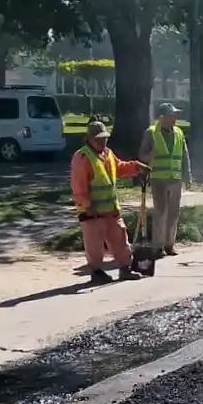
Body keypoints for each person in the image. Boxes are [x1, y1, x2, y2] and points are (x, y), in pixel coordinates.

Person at [73, 120, 149, 285]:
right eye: (99, 139)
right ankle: (96, 272)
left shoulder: (107, 153)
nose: (103, 141)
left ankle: (125, 268)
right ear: (90, 139)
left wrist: (136, 167)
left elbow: (120, 167)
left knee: (120, 239)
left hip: (111, 210)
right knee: (94, 245)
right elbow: (78, 186)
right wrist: (88, 205)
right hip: (92, 212)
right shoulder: (82, 157)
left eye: (105, 138)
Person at [139, 102, 190, 256]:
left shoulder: (179, 133)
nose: (174, 118)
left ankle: (169, 245)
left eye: (175, 115)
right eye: (171, 115)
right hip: (159, 180)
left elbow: (184, 156)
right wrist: (151, 156)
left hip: (175, 179)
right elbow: (142, 156)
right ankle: (158, 246)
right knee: (161, 213)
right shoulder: (151, 133)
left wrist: (187, 176)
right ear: (162, 117)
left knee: (173, 213)